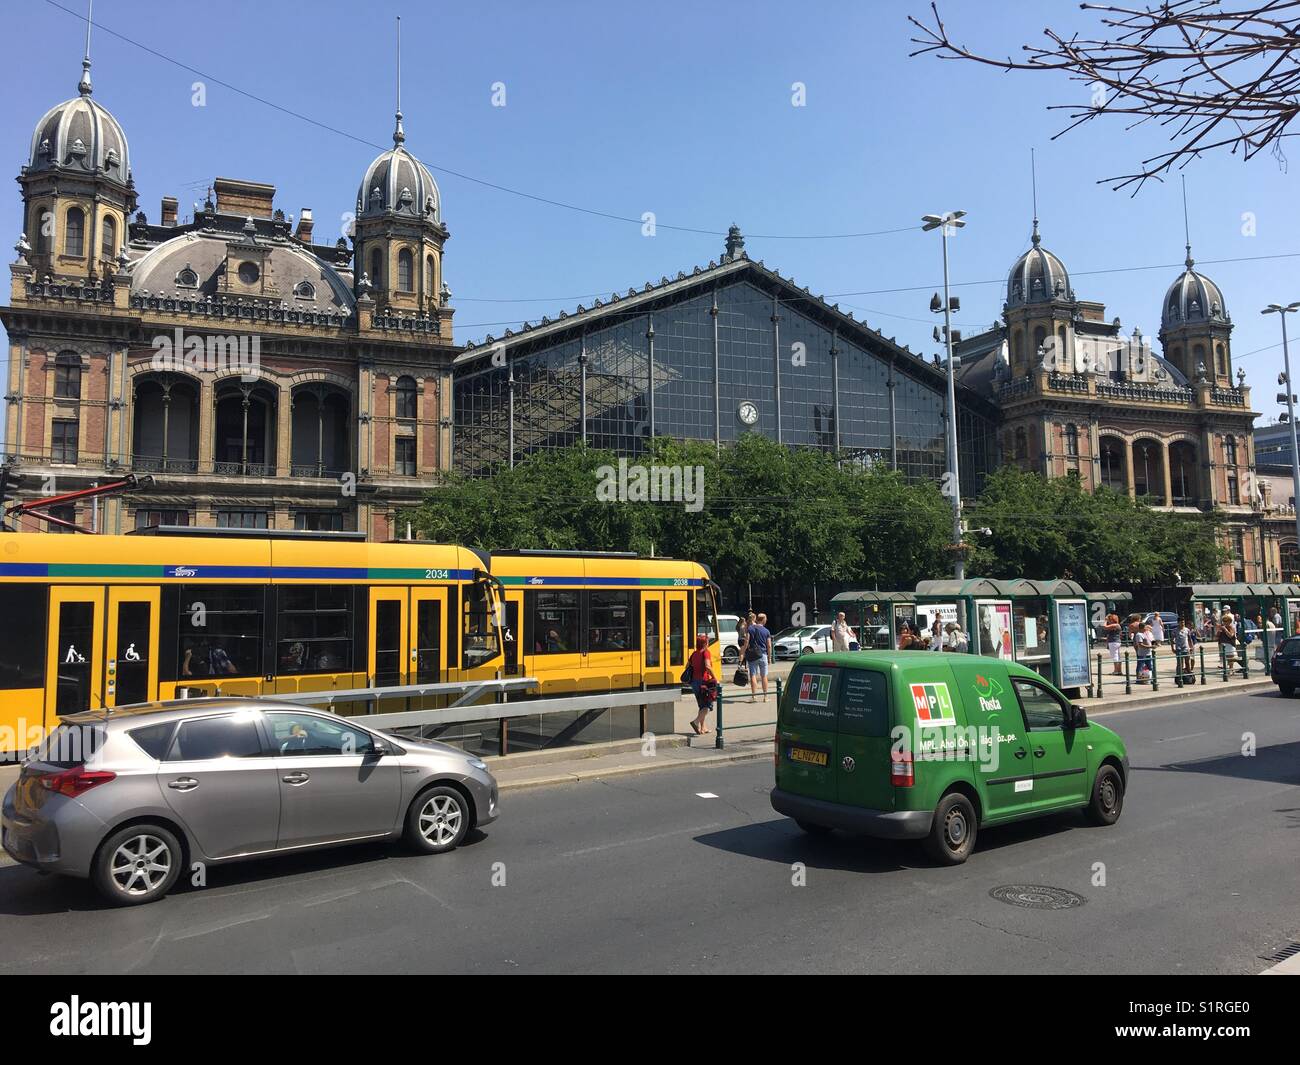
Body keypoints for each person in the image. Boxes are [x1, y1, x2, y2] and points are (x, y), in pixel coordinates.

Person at [685, 634, 717, 735]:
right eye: (707, 642)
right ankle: (695, 722)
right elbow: (708, 666)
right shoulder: (706, 652)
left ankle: (703, 728)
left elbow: (687, 666)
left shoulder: (694, 654)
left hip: (694, 682)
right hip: (704, 682)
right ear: (705, 644)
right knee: (707, 706)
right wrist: (715, 678)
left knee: (701, 705)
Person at [746, 612, 773, 699]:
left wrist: (743, 652)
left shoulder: (750, 628)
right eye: (766, 619)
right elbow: (769, 645)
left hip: (753, 655)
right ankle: (765, 696)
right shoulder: (766, 631)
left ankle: (754, 696)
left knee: (753, 675)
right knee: (764, 676)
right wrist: (769, 658)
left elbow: (747, 641)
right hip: (763, 655)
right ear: (763, 620)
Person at [1173, 617, 1194, 682]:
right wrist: (1173, 648)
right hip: (1179, 649)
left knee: (1187, 662)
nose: (1182, 624)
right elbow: (1171, 640)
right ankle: (1179, 676)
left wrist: (1191, 647)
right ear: (1178, 623)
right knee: (1180, 663)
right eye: (1181, 622)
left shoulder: (1187, 630)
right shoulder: (1175, 630)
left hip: (1186, 648)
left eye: (1183, 622)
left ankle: (1189, 675)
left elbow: (1189, 639)